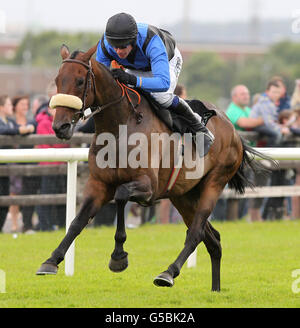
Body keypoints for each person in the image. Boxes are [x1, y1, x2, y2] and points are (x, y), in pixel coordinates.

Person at [96, 12, 214, 157]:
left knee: (161, 96)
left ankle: (201, 130)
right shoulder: (105, 45)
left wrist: (131, 79)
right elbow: (100, 80)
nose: (118, 51)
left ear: (133, 41)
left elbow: (163, 83)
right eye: (115, 47)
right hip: (137, 67)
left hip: (166, 62)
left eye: (123, 47)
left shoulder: (151, 42)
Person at [0, 95, 34, 233]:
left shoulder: (9, 121)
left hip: (6, 168)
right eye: (8, 105)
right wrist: (21, 130)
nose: (11, 107)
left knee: (6, 197)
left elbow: (20, 128)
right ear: (1, 107)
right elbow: (5, 131)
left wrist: (28, 128)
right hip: (2, 166)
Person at [35, 104, 69, 231]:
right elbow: (50, 145)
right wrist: (63, 144)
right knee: (47, 197)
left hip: (60, 166)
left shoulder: (61, 123)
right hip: (48, 167)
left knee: (62, 196)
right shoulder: (43, 123)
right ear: (49, 110)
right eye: (55, 109)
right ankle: (45, 225)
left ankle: (61, 224)